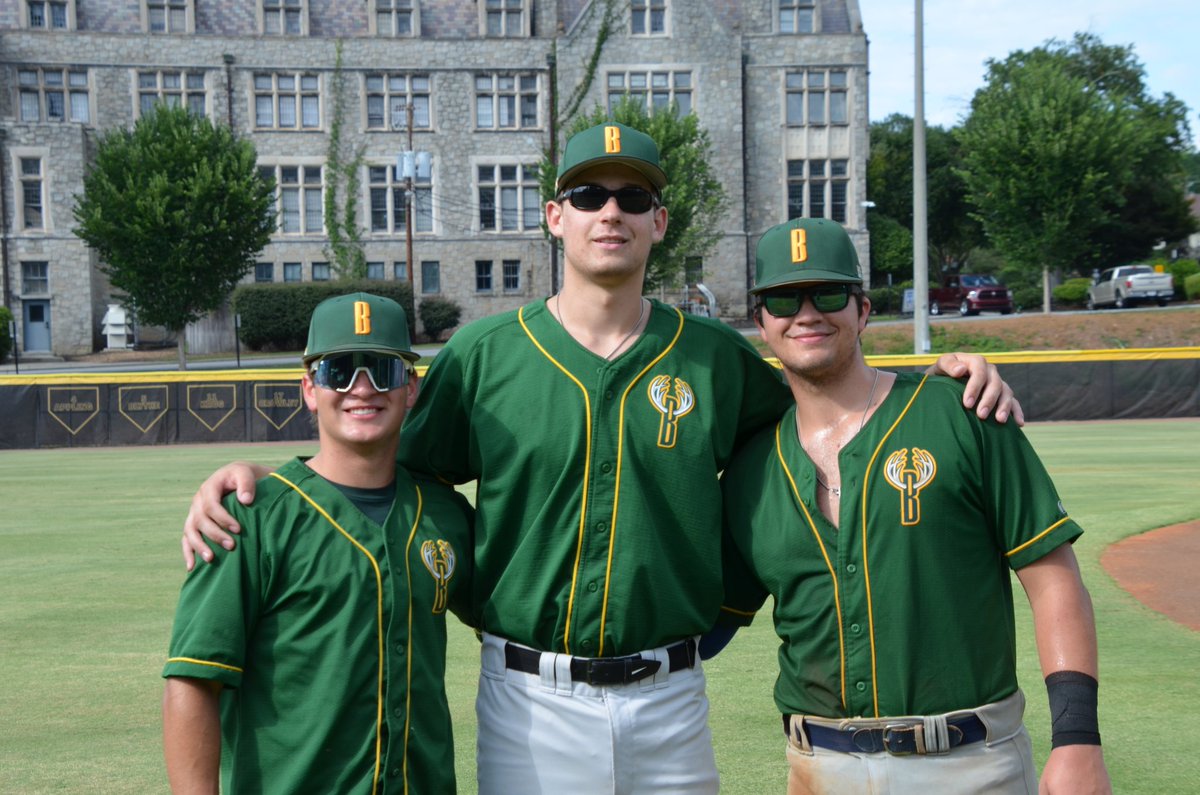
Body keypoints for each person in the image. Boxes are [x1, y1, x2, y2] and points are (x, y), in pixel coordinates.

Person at [181, 123, 1019, 793]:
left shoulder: (715, 358)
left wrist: (940, 380)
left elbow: (813, 424)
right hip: (530, 697)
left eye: (632, 196)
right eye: (588, 194)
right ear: (556, 216)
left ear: (660, 221)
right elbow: (379, 455)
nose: (609, 211)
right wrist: (269, 480)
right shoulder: (484, 355)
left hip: (670, 694)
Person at [714, 218, 1111, 794]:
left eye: (829, 294)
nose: (807, 314)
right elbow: (707, 623)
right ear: (761, 323)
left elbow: (1054, 582)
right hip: (819, 768)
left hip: (972, 764)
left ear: (863, 311)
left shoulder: (962, 413)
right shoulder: (752, 468)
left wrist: (1077, 739)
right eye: (783, 300)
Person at [162, 292, 473, 794]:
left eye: (383, 370)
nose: (362, 387)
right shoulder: (247, 518)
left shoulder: (443, 514)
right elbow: (194, 681)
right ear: (309, 388)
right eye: (339, 371)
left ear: (411, 387)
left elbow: (512, 615)